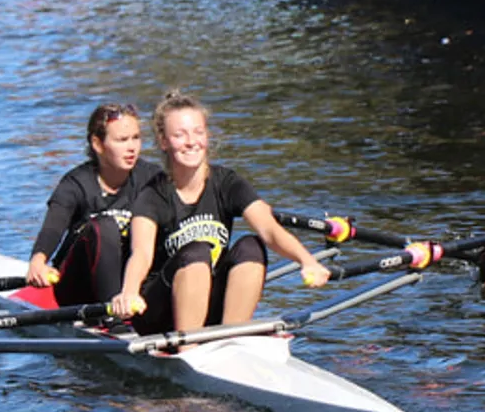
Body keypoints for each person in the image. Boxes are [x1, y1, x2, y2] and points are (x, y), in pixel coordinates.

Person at [110, 93, 330, 335]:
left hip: (207, 302)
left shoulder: (227, 182)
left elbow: (269, 229)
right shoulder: (152, 195)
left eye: (198, 132)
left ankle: (232, 334)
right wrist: (129, 290)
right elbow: (140, 253)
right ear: (163, 141)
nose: (191, 141)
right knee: (197, 250)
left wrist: (307, 261)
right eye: (179, 135)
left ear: (207, 135)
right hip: (159, 311)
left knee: (251, 246)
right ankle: (189, 345)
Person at [26, 103, 166, 306]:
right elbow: (52, 227)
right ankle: (114, 319)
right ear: (97, 144)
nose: (132, 147)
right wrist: (38, 261)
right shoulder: (75, 183)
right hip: (77, 287)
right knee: (105, 225)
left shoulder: (152, 178)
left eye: (136, 138)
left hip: (129, 284)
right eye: (121, 140)